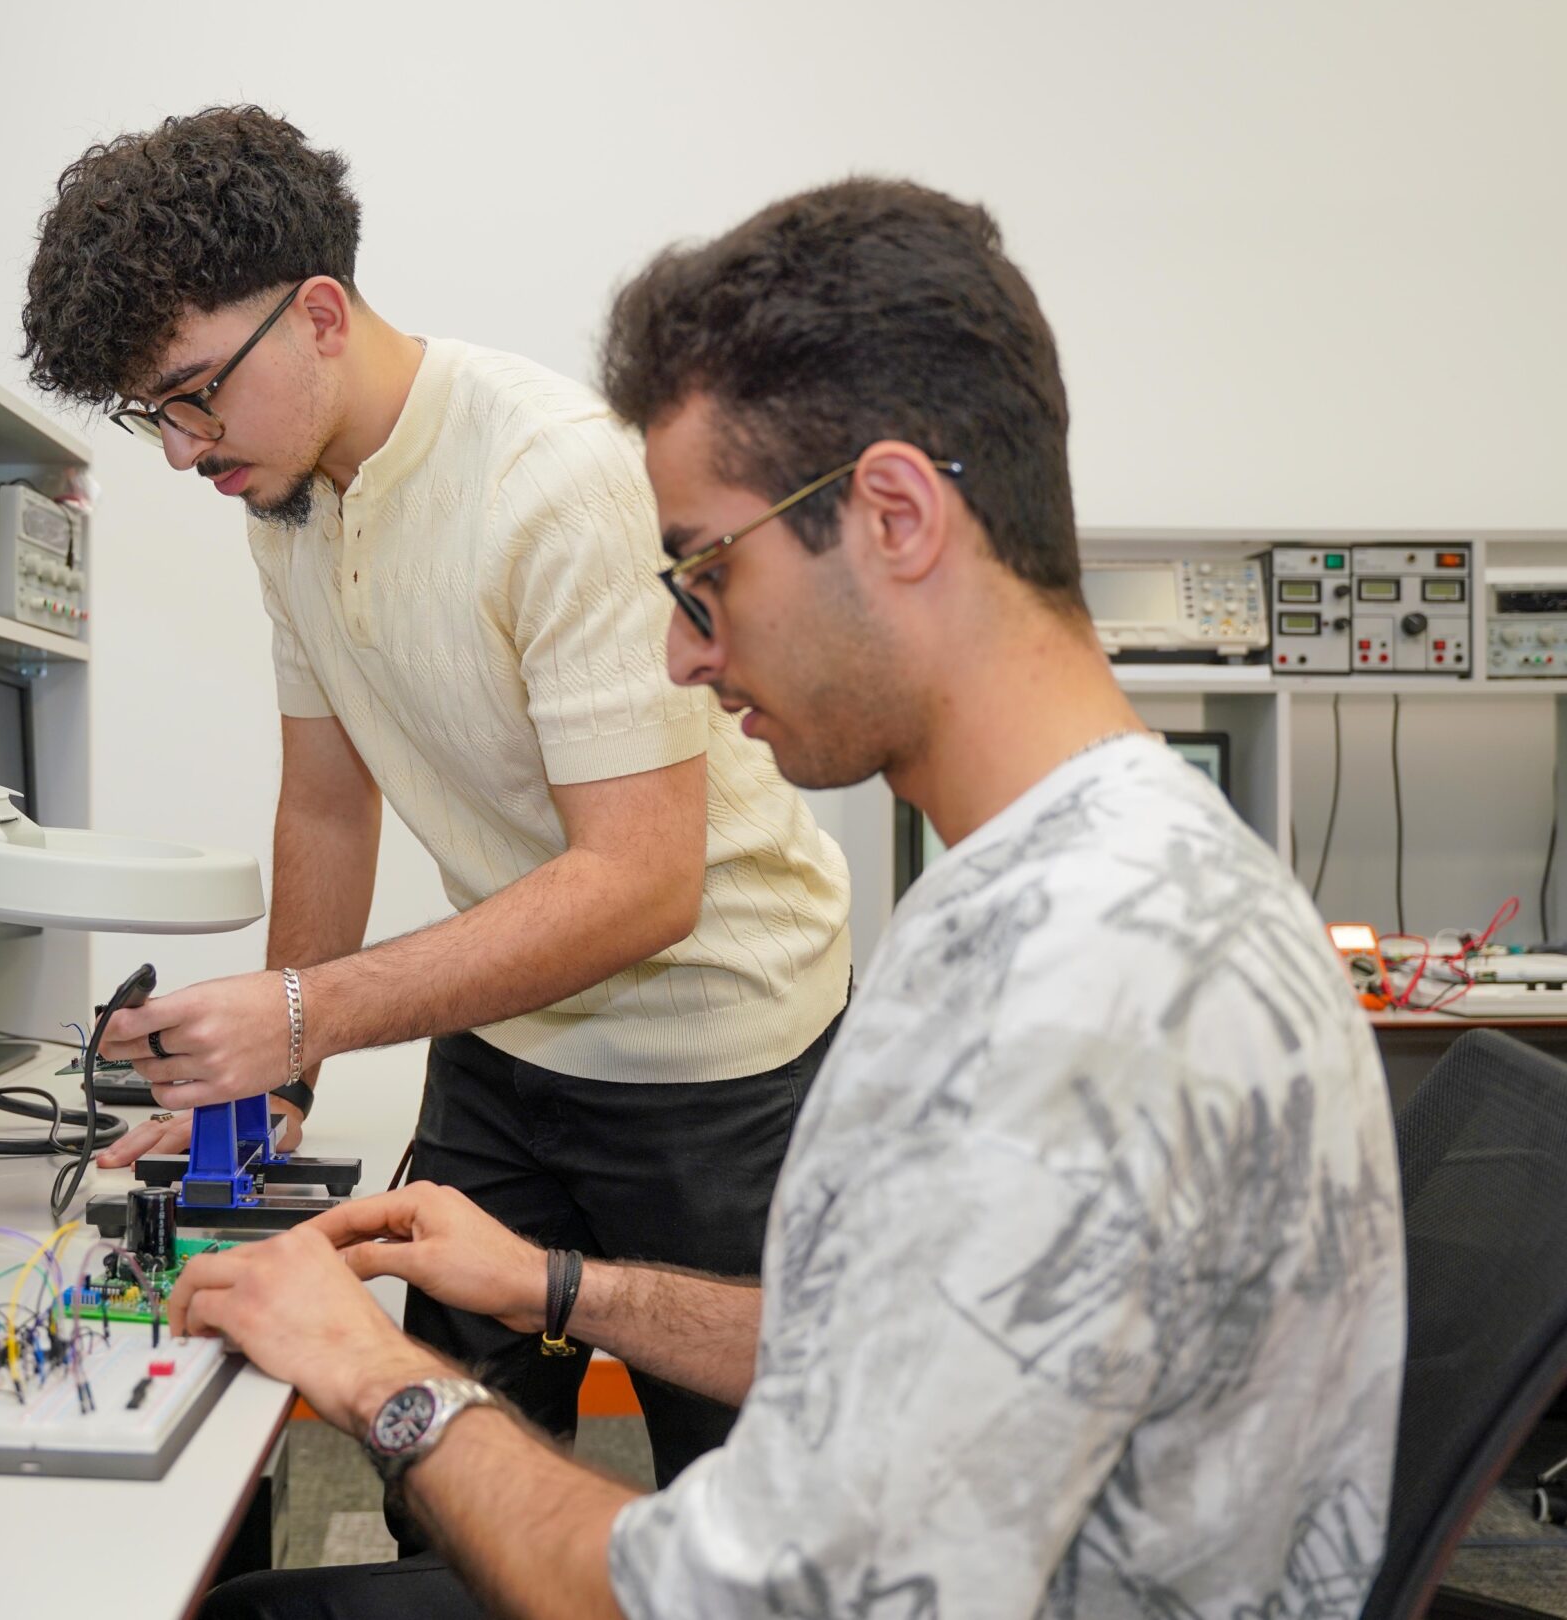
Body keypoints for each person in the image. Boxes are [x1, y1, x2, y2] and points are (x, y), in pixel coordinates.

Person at [173, 177, 1407, 1620]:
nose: (683, 655)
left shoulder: (1074, 995)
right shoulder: (1078, 887)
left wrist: (374, 1370)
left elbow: (742, 1597)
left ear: (894, 516)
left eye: (707, 567)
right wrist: (560, 1287)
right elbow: (890, 1351)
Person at [19, 105, 854, 1487]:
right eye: (148, 412)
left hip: (715, 1067)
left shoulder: (554, 481)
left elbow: (643, 881)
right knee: (441, 1473)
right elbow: (325, 804)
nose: (177, 448)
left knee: (751, 1507)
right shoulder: (287, 504)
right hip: (503, 1041)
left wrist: (300, 1011)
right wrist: (281, 1079)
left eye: (192, 393)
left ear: (320, 316)